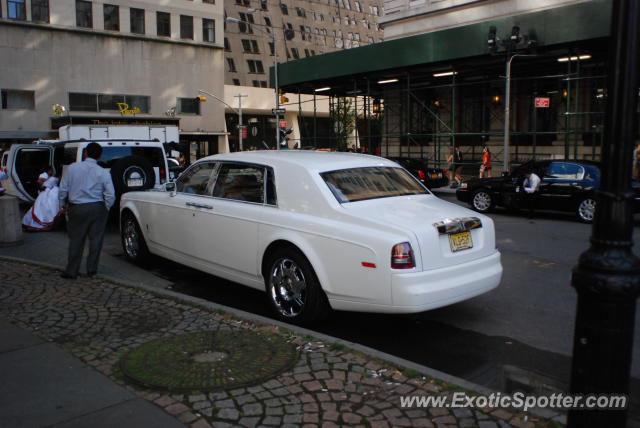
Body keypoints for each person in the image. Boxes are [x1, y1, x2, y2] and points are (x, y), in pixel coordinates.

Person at [58, 143, 115, 279]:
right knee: (96, 240)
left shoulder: (72, 168)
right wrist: (106, 207)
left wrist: (62, 204)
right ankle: (91, 270)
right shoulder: (102, 172)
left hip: (76, 207)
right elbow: (110, 194)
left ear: (85, 153)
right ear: (99, 155)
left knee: (76, 240)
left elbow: (63, 188)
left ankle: (71, 271)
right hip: (97, 206)